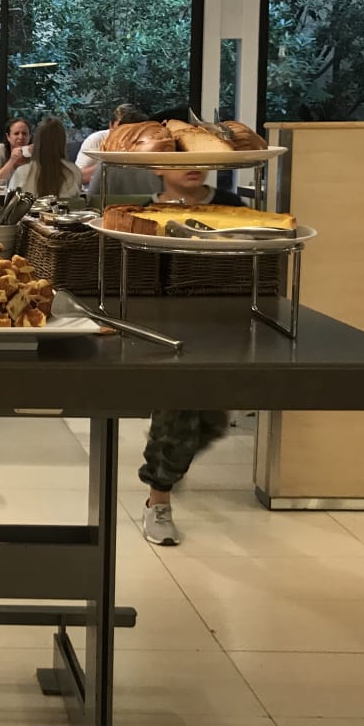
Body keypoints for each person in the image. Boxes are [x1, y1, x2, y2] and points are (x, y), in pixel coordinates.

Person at [137, 162, 240, 545]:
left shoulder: (231, 206)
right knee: (177, 416)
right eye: (180, 159)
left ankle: (168, 464)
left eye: (198, 158)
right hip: (167, 329)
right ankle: (158, 501)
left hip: (220, 325)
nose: (193, 167)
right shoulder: (145, 214)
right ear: (157, 168)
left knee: (212, 422)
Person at [75, 102, 150, 186]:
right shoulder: (97, 140)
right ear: (110, 125)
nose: (124, 136)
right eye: (120, 130)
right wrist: (111, 162)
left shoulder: (147, 142)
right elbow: (78, 178)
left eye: (131, 132)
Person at [12, 117, 81, 198]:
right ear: (63, 142)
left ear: (37, 141)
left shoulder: (22, 172)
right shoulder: (74, 171)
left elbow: (11, 201)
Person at [0, 117, 33, 189]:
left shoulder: (35, 153)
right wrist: (12, 161)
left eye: (24, 134)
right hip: (3, 195)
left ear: (30, 136)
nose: (21, 137)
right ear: (8, 137)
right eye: (16, 133)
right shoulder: (0, 149)